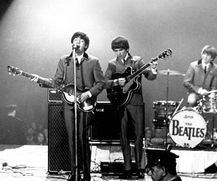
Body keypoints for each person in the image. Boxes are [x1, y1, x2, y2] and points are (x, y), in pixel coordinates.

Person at [31, 32, 105, 181]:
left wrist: (88, 94)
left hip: (86, 104)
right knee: (72, 137)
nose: (77, 42)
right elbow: (57, 81)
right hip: (68, 104)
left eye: (80, 40)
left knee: (83, 137)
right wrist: (41, 80)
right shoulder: (64, 60)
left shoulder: (93, 61)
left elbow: (101, 83)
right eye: (74, 40)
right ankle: (75, 172)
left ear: (86, 45)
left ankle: (87, 174)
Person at [104, 36, 158, 179]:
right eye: (115, 51)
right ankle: (127, 168)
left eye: (120, 50)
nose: (118, 53)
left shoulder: (137, 61)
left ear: (127, 49)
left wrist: (153, 69)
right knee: (123, 136)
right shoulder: (111, 64)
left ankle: (140, 168)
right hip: (120, 103)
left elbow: (150, 77)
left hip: (136, 102)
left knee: (139, 135)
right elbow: (104, 82)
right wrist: (116, 81)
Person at [183, 45, 217, 144]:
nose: (205, 56)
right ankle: (190, 128)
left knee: (216, 106)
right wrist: (198, 90)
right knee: (191, 99)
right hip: (195, 93)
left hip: (208, 95)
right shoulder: (193, 65)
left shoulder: (215, 68)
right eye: (204, 53)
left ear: (212, 58)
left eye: (208, 55)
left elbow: (214, 84)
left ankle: (211, 134)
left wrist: (212, 93)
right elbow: (186, 82)